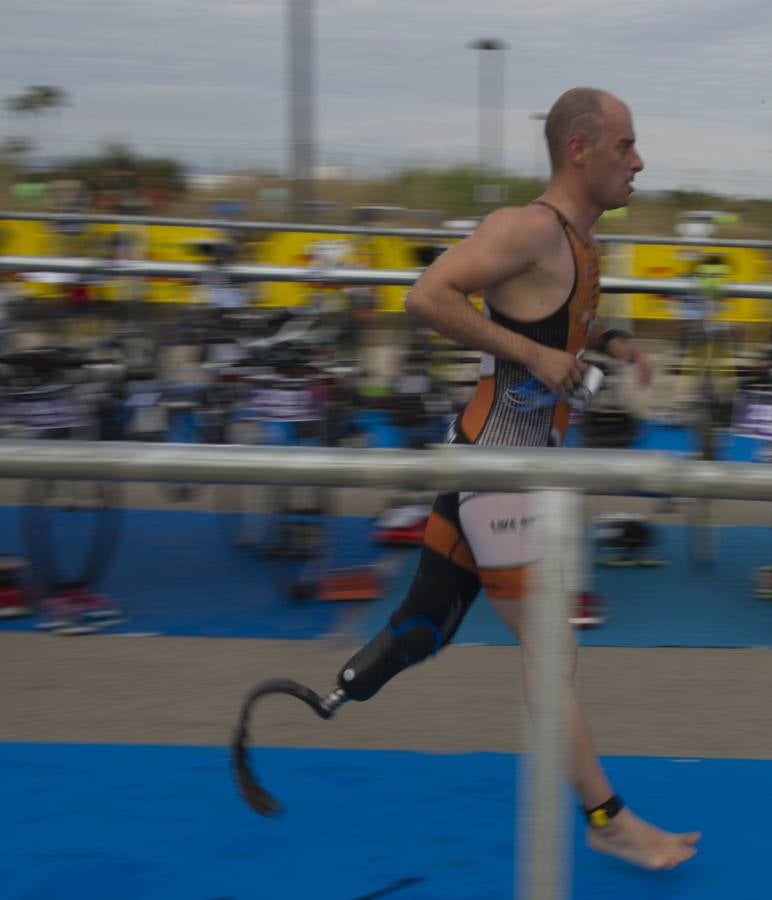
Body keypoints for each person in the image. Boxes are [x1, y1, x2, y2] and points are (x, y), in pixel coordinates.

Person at [232, 87, 699, 872]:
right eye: (625, 146)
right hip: (500, 477)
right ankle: (606, 818)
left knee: (425, 624)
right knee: (550, 656)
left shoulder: (581, 242)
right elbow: (426, 296)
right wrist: (532, 357)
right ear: (579, 150)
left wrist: (610, 341)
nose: (639, 161)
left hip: (496, 462)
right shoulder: (524, 228)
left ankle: (330, 698)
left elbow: (550, 318)